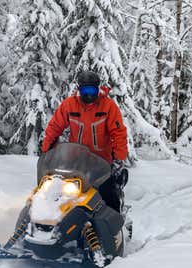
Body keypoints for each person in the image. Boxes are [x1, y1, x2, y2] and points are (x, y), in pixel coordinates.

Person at [41, 71, 128, 212]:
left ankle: (115, 228)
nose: (89, 94)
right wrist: (46, 151)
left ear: (97, 89)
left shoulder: (108, 106)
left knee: (108, 195)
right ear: (79, 89)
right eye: (85, 90)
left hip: (102, 163)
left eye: (92, 90)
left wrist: (118, 159)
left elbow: (119, 133)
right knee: (59, 192)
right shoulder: (69, 105)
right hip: (76, 162)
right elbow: (55, 126)